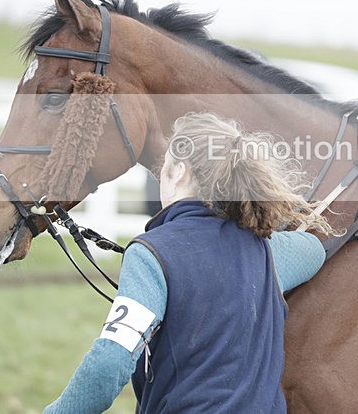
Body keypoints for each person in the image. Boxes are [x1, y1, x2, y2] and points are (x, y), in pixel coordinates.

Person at [45, 112, 330, 413]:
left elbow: (108, 363)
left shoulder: (150, 253)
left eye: (164, 169)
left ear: (180, 171)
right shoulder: (268, 251)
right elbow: (313, 250)